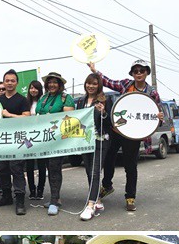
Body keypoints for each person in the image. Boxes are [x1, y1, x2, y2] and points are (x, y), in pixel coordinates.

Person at [88, 59, 163, 212]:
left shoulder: (152, 93)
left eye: (142, 70)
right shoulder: (126, 85)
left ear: (147, 72)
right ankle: (107, 186)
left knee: (130, 166)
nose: (139, 73)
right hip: (116, 131)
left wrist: (160, 118)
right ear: (132, 74)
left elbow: (157, 116)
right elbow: (107, 82)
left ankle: (130, 197)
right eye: (136, 71)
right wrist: (95, 71)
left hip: (133, 136)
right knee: (108, 159)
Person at [35, 72, 75, 216]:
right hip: (45, 139)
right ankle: (55, 197)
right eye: (49, 82)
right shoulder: (43, 98)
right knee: (49, 169)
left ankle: (54, 201)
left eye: (55, 82)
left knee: (55, 168)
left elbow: (68, 119)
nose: (52, 84)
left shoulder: (66, 98)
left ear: (60, 84)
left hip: (58, 140)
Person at [0, 70, 30, 215]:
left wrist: (9, 115)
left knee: (17, 169)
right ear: (3, 82)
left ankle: (20, 200)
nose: (9, 83)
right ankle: (6, 196)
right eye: (7, 80)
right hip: (0, 140)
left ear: (17, 83)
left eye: (12, 80)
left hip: (17, 140)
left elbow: (27, 117)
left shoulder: (22, 100)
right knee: (1, 169)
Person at [76, 74, 112, 221]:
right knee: (89, 170)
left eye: (94, 84)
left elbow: (109, 120)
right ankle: (97, 199)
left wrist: (103, 112)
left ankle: (90, 206)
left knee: (96, 171)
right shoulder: (81, 101)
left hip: (100, 140)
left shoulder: (105, 100)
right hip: (85, 140)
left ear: (99, 86)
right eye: (88, 84)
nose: (91, 86)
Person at [25, 80, 47, 201]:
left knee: (41, 165)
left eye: (36, 88)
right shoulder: (25, 102)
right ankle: (32, 190)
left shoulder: (43, 102)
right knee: (29, 165)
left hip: (41, 137)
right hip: (27, 137)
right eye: (31, 88)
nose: (33, 90)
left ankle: (40, 190)